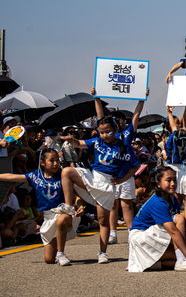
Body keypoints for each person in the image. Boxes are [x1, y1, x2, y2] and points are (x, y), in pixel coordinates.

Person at [56, 116, 141, 264]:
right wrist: (71, 140)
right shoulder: (97, 141)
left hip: (108, 185)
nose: (104, 135)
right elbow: (80, 143)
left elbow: (135, 166)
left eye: (108, 131)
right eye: (101, 132)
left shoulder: (123, 146)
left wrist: (121, 179)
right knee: (67, 172)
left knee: (103, 220)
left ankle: (102, 253)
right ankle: (69, 206)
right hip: (94, 178)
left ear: (115, 130)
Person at [0, 149, 80, 265]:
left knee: (63, 219)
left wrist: (79, 205)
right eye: (51, 160)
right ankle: (56, 243)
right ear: (42, 163)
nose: (56, 163)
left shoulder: (63, 176)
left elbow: (77, 195)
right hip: (48, 218)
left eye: (57, 160)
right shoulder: (35, 177)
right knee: (49, 259)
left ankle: (61, 253)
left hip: (62, 212)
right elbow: (12, 176)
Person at [92, 87, 147, 245]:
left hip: (126, 174)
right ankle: (113, 232)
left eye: (121, 120)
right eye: (116, 120)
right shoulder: (108, 135)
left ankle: (131, 233)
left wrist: (141, 100)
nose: (119, 122)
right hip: (112, 174)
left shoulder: (128, 133)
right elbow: (100, 116)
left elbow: (136, 116)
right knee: (112, 204)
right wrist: (97, 98)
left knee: (126, 204)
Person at [127, 166, 186, 272]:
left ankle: (173, 261)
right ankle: (181, 261)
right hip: (140, 238)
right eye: (168, 180)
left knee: (175, 257)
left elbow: (179, 231)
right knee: (179, 218)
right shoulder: (158, 202)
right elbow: (173, 231)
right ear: (158, 183)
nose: (173, 183)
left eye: (174, 180)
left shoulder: (172, 198)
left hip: (150, 237)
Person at [165, 106, 186, 242]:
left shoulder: (174, 135)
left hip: (182, 170)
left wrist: (169, 112)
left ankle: (185, 228)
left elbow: (174, 124)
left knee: (181, 202)